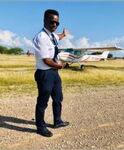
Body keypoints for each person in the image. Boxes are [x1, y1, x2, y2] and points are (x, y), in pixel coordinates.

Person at [33, 9, 69, 137]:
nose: (54, 25)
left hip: (54, 73)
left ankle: (57, 121)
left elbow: (57, 38)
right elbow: (47, 60)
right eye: (51, 22)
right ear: (44, 21)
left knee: (58, 98)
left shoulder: (52, 35)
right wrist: (60, 65)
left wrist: (63, 34)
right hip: (45, 74)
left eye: (57, 23)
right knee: (43, 102)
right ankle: (40, 127)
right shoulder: (41, 37)